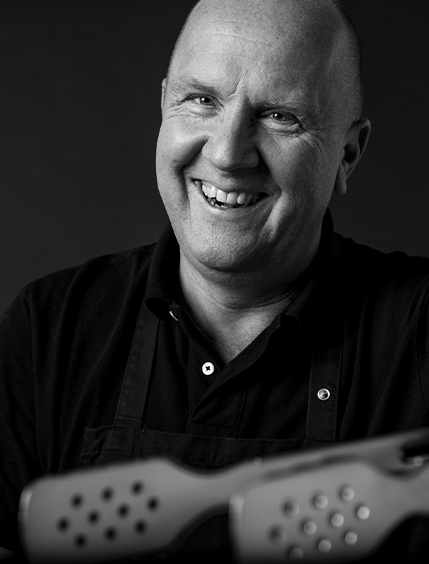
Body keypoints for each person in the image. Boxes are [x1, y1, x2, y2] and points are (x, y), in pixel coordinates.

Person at [1, 0, 429, 562]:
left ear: (347, 154)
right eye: (202, 100)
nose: (227, 154)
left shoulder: (419, 331)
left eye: (280, 116)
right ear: (165, 107)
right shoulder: (51, 327)